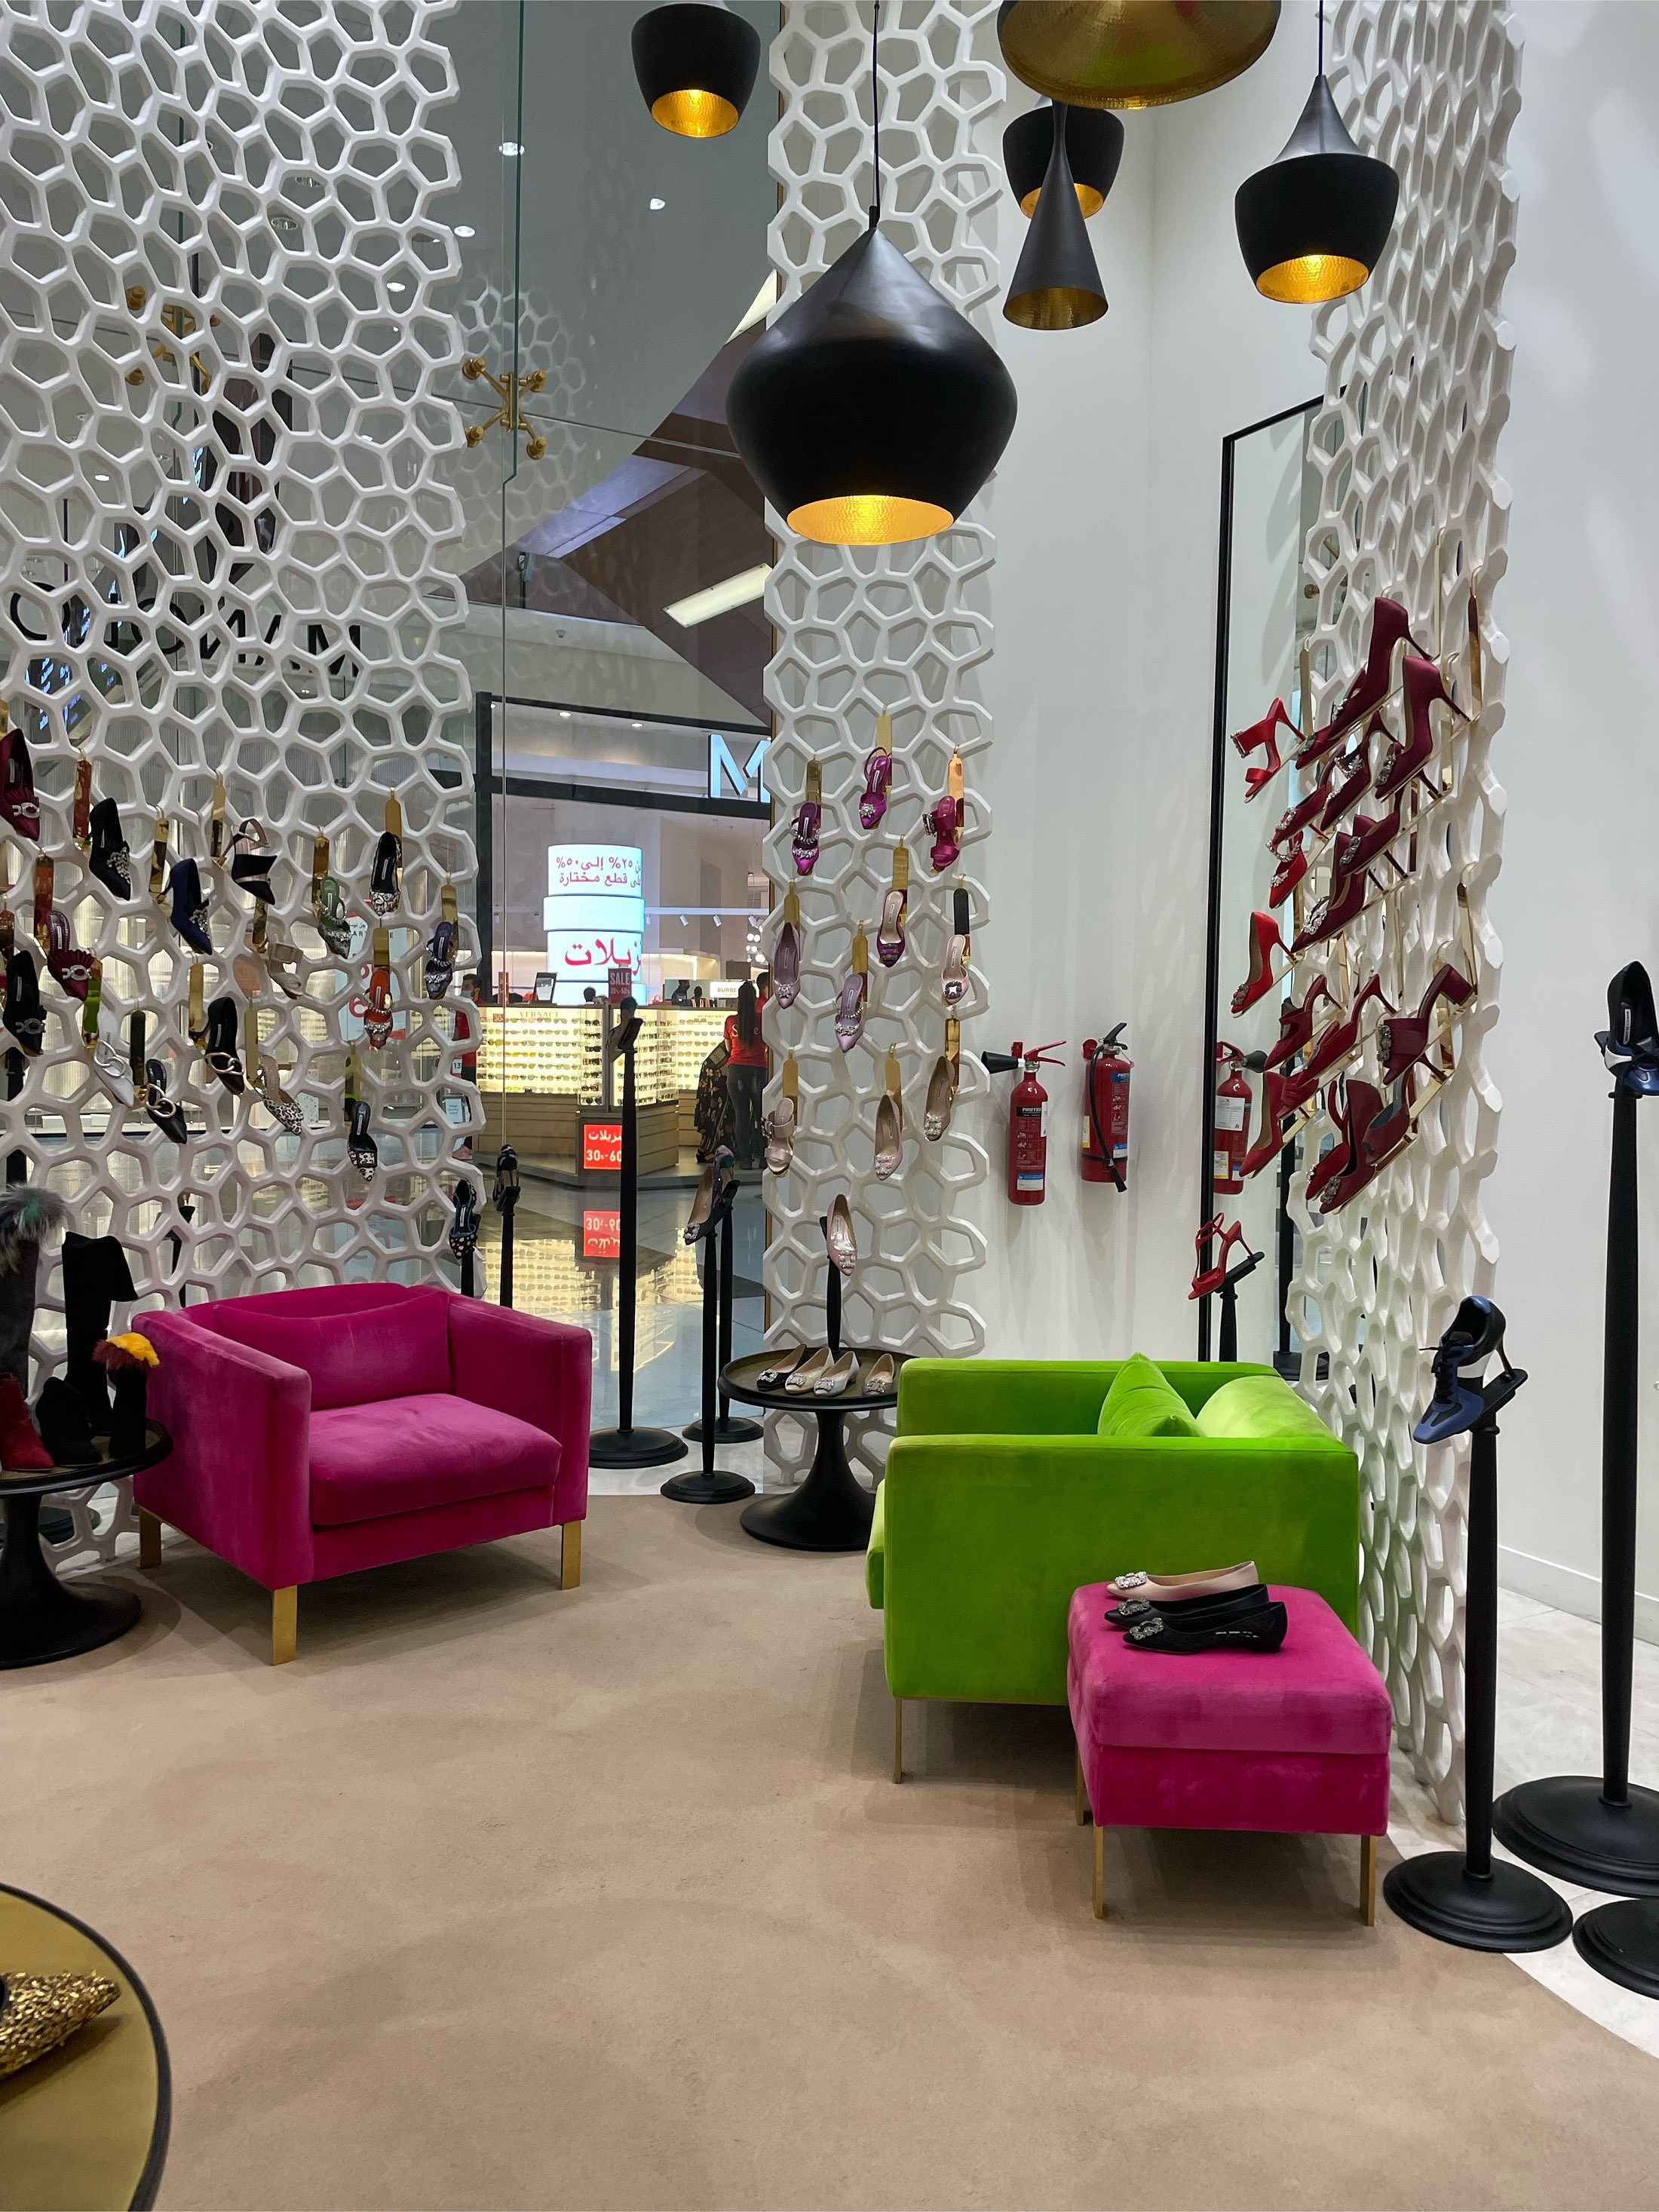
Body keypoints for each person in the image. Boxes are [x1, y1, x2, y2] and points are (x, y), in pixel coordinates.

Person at [724, 980, 766, 1169]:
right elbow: (767, 1043)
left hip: (736, 1072)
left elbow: (728, 1048)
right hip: (759, 1070)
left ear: (739, 1000)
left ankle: (746, 1160)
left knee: (741, 1116)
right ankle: (764, 1157)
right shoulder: (762, 1019)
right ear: (755, 1000)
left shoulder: (731, 1021)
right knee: (761, 1116)